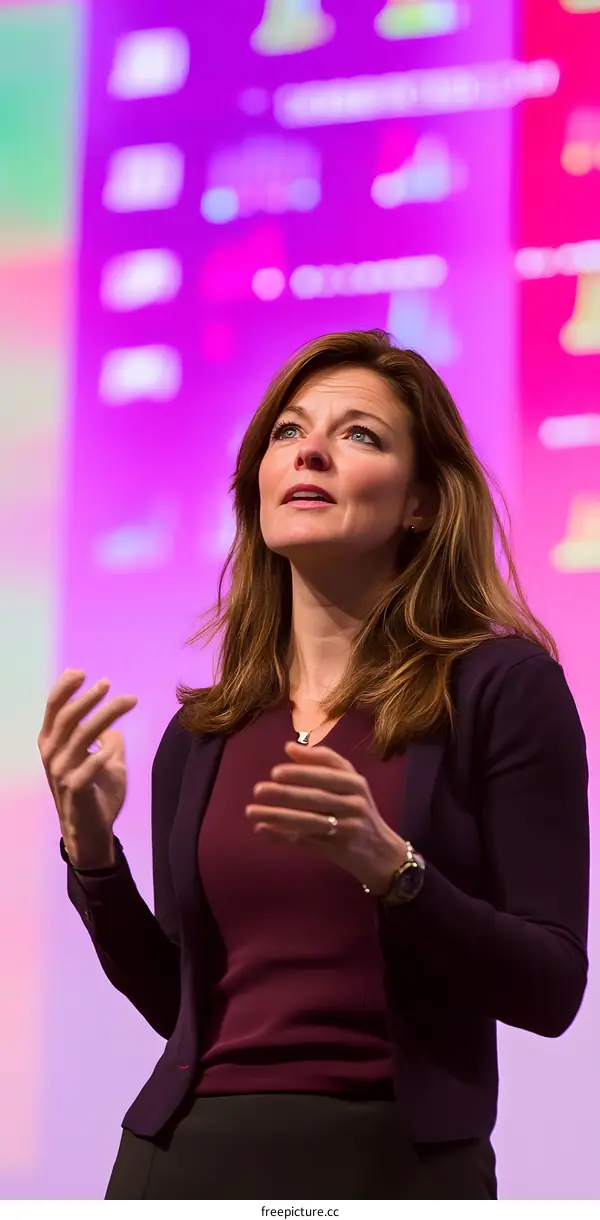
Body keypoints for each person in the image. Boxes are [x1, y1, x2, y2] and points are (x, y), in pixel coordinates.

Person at [38, 330, 589, 1200]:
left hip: (396, 1167)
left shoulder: (501, 690)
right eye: (289, 432)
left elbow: (552, 989)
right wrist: (92, 854)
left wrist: (394, 870)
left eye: (361, 435)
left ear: (419, 505)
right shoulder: (206, 732)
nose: (313, 451)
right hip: (182, 1165)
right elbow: (183, 1011)